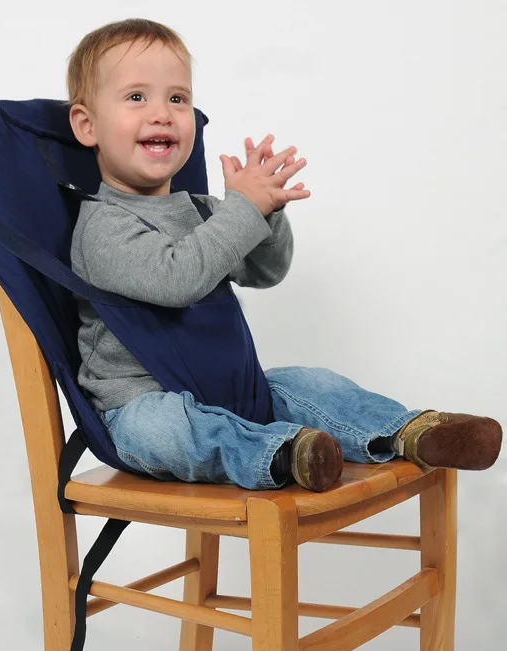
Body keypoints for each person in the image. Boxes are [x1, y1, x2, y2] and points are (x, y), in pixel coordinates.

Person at [66, 18, 502, 492]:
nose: (162, 113)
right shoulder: (102, 227)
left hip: (235, 393)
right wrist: (243, 210)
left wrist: (266, 211)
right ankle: (282, 453)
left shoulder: (204, 211)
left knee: (309, 384)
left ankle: (412, 430)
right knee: (165, 429)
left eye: (178, 98)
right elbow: (178, 280)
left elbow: (266, 269)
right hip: (141, 405)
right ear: (88, 125)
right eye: (136, 97)